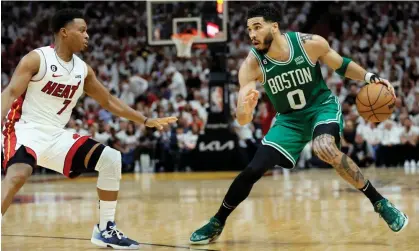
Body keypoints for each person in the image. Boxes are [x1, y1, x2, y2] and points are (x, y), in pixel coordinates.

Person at [189, 4, 408, 244]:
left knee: (324, 147)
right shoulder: (252, 65)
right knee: (252, 170)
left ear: (275, 27)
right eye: (249, 29)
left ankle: (380, 202)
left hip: (320, 108)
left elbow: (341, 65)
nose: (252, 34)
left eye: (257, 27)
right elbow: (242, 118)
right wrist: (246, 108)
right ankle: (217, 222)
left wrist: (370, 77)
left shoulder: (308, 43)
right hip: (288, 121)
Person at [1, 9, 177, 249]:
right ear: (64, 32)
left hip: (55, 135)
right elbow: (10, 93)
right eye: (82, 30)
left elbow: (109, 101)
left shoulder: (82, 70)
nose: (87, 35)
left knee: (111, 159)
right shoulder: (37, 59)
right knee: (19, 175)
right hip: (23, 129)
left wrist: (145, 120)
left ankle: (105, 229)